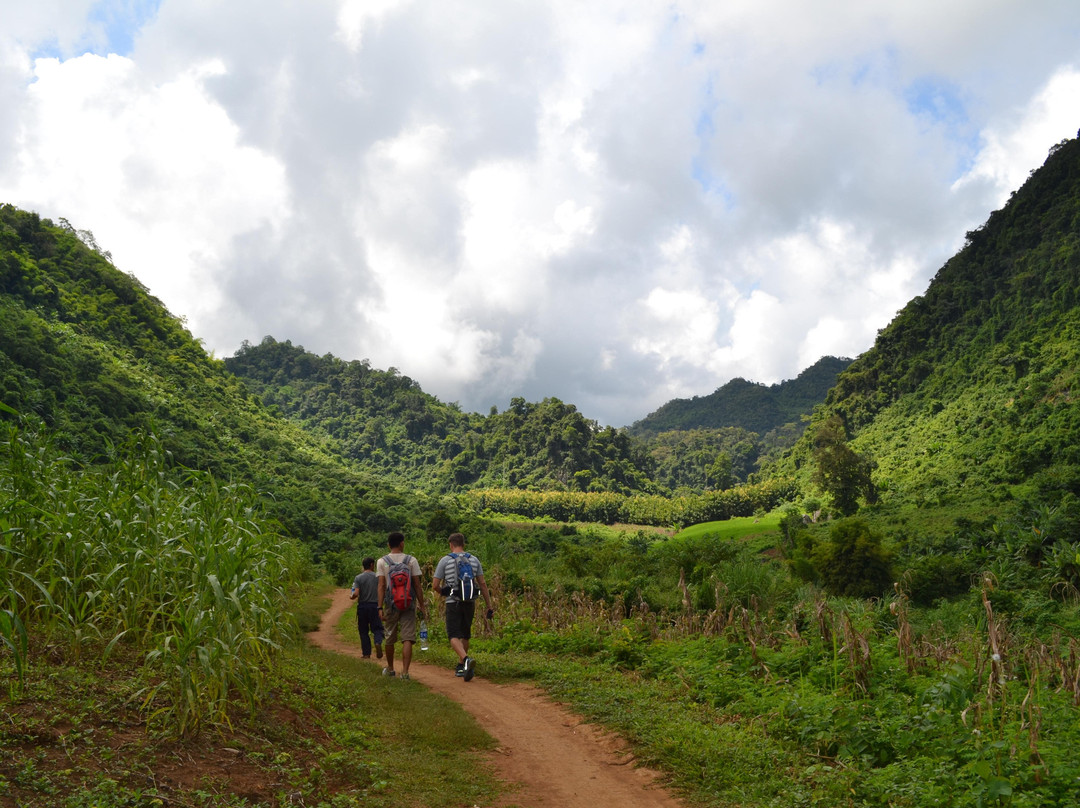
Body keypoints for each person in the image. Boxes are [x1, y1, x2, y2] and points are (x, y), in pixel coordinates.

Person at [432, 532, 493, 682]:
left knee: (453, 635)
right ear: (463, 544)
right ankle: (461, 666)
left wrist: (443, 592)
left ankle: (465, 659)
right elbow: (483, 584)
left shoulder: (445, 560)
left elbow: (435, 585)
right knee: (465, 634)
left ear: (451, 544)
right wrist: (489, 605)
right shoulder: (474, 560)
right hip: (470, 602)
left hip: (453, 602)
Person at [376, 531, 426, 680]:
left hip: (390, 604)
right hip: (409, 603)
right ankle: (405, 672)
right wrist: (422, 605)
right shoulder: (411, 560)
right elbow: (417, 585)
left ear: (388, 545)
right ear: (402, 543)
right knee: (407, 638)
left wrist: (379, 607)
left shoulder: (382, 561)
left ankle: (391, 669)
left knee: (390, 635)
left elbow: (381, 585)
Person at [349, 556, 384, 659]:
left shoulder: (358, 578)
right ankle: (377, 642)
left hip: (363, 606)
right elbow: (383, 589)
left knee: (363, 630)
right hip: (375, 606)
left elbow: (356, 593)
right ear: (372, 565)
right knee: (377, 628)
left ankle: (366, 653)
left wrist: (352, 597)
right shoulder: (378, 577)